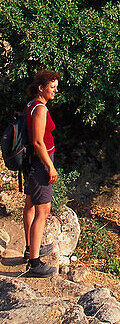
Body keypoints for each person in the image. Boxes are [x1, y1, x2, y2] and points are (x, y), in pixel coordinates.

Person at [23, 70, 60, 277]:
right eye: (52, 86)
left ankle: (30, 248)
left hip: (33, 163)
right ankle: (34, 263)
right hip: (41, 163)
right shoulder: (40, 110)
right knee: (42, 211)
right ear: (41, 88)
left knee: (29, 204)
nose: (56, 90)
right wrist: (50, 166)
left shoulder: (31, 105)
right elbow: (38, 142)